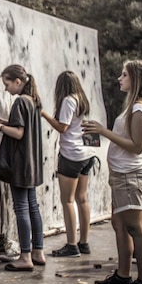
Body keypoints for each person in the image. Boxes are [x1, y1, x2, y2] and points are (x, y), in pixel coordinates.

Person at [84, 60, 142, 284]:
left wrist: (103, 131)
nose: (119, 79)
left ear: (136, 79)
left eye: (124, 75)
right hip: (121, 174)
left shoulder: (139, 109)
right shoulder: (133, 107)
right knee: (120, 225)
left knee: (136, 228)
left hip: (130, 174)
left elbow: (137, 146)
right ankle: (123, 275)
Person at [0, 64, 46, 272]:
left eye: (7, 84)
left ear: (18, 82)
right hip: (32, 164)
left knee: (21, 208)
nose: (6, 89)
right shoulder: (33, 101)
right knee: (33, 206)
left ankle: (24, 256)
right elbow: (25, 128)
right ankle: (37, 251)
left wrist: (0, 127)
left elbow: (19, 133)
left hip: (21, 164)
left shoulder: (20, 101)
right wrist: (7, 122)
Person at [41, 71, 95, 258]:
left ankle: (72, 245)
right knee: (83, 199)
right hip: (86, 154)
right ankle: (84, 242)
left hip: (70, 155)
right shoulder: (82, 99)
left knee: (68, 201)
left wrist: (43, 114)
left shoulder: (68, 101)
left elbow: (62, 128)